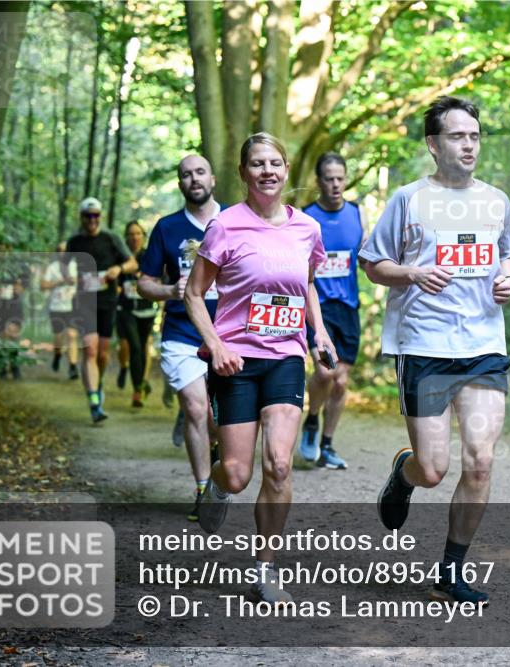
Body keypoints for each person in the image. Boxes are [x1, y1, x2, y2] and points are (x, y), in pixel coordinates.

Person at [361, 97, 510, 606]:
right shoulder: (409, 199)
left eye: (474, 135)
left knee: (480, 462)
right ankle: (405, 472)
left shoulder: (496, 200)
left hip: (484, 345)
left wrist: (507, 279)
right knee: (434, 470)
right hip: (424, 347)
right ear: (433, 144)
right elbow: (372, 263)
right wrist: (412, 273)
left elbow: (505, 255)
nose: (468, 144)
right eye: (457, 136)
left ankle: (452, 570)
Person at [186, 132, 335, 604]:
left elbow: (307, 284)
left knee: (279, 464)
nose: (267, 171)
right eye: (257, 164)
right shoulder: (225, 226)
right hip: (236, 361)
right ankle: (216, 485)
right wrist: (215, 344)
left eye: (275, 163)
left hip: (286, 357)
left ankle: (266, 570)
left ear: (286, 169)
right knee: (237, 474)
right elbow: (193, 294)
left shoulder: (307, 229)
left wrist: (320, 334)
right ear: (243, 173)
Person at [138, 155, 222, 521]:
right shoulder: (167, 227)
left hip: (231, 334)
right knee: (196, 407)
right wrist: (171, 291)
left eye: (200, 172)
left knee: (221, 419)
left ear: (213, 178)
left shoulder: (236, 220)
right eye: (186, 175)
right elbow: (143, 283)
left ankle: (214, 448)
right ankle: (204, 489)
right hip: (182, 331)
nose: (194, 179)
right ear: (180, 184)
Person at [298, 153, 367, 470]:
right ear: (319, 181)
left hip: (349, 308)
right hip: (317, 309)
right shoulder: (305, 218)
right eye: (329, 178)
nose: (336, 184)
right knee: (325, 371)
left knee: (340, 382)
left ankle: (326, 444)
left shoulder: (357, 213)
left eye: (340, 178)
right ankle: (311, 419)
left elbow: (367, 257)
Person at [65, 197, 138, 422]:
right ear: (82, 218)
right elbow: (65, 270)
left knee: (102, 353)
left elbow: (133, 263)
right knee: (90, 350)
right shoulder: (74, 242)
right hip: (84, 303)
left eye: (96, 215)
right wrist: (74, 278)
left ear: (101, 217)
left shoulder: (111, 239)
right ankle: (94, 401)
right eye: (88, 216)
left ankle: (98, 382)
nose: (92, 220)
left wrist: (118, 268)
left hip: (107, 303)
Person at [116, 221, 158, 407]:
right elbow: (113, 279)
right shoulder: (121, 257)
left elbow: (161, 278)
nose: (134, 237)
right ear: (126, 237)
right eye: (131, 234)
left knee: (141, 347)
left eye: (138, 234)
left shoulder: (150, 255)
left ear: (143, 236)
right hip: (126, 309)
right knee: (134, 347)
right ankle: (137, 390)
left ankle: (140, 385)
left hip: (147, 310)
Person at [0, 242, 31, 380]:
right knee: (1, 336)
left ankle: (14, 366)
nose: (4, 251)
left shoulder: (18, 266)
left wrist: (21, 287)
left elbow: (26, 279)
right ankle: (2, 367)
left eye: (7, 247)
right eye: (1, 248)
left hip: (14, 305)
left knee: (12, 333)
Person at [40, 242, 80, 379]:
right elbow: (43, 285)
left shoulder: (76, 266)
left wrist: (76, 282)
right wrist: (59, 282)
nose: (63, 253)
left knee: (72, 335)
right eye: (60, 250)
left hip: (73, 307)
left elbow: (86, 282)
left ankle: (73, 367)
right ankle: (57, 354)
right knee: (59, 337)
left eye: (65, 250)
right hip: (56, 308)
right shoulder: (52, 268)